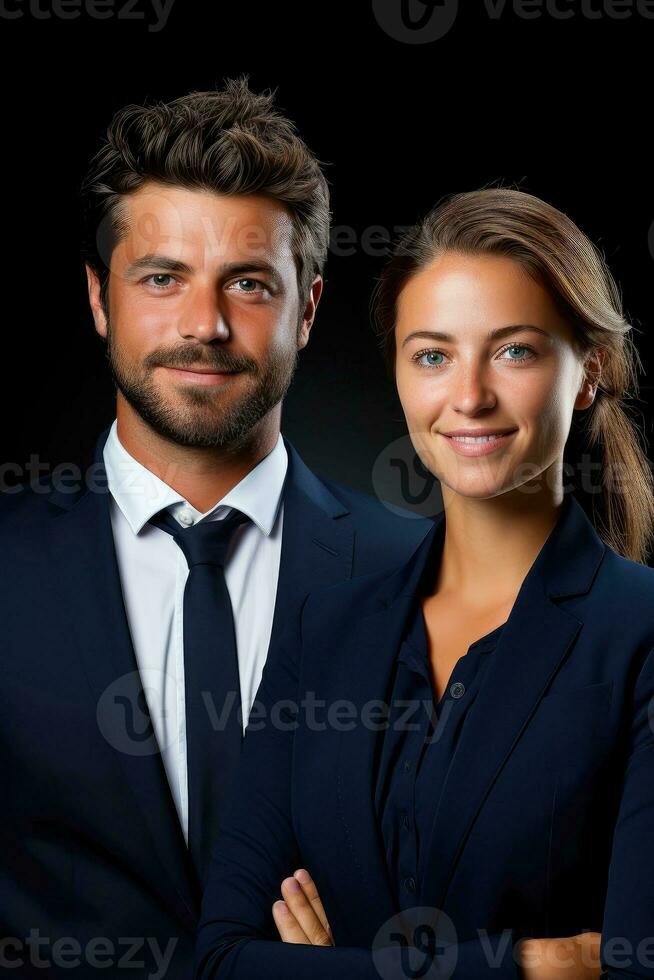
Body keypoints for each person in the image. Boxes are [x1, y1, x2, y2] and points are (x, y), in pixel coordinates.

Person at [0, 77, 432, 978]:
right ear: (97, 298)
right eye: (162, 279)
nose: (205, 325)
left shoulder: (426, 573)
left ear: (306, 310)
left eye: (247, 283)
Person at [195, 188, 654, 980]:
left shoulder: (640, 633)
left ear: (589, 373)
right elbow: (224, 960)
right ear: (401, 373)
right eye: (433, 355)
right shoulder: (322, 634)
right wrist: (531, 966)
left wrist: (338, 968)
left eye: (515, 350)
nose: (468, 395)